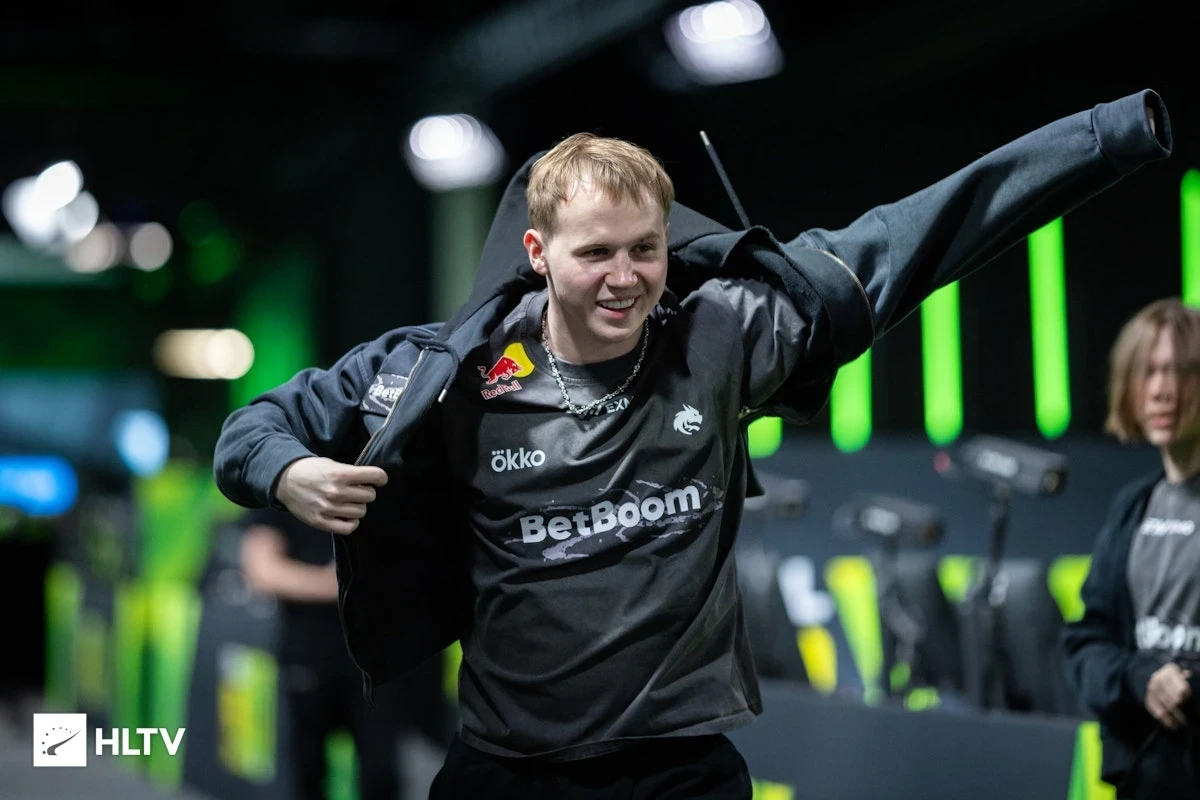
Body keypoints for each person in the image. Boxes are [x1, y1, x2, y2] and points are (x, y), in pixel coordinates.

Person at [216, 89, 1171, 798]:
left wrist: (1104, 137)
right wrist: (287, 471)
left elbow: (919, 235)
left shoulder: (725, 336)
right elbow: (251, 427)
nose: (626, 276)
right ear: (538, 255)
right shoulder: (447, 369)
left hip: (680, 771)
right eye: (596, 252)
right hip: (509, 772)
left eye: (646, 247)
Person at [1062, 298, 1200, 800]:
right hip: (1144, 775)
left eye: (1178, 370)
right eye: (1148, 372)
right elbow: (1085, 644)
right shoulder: (1132, 507)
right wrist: (1141, 679)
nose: (1161, 389)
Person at [239, 507, 449, 800]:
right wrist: (343, 583)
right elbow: (263, 571)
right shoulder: (285, 486)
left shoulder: (392, 487)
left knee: (381, 775)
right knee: (307, 770)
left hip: (381, 665)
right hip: (310, 657)